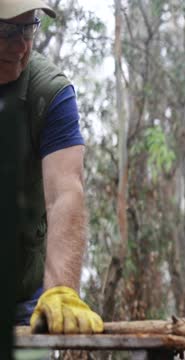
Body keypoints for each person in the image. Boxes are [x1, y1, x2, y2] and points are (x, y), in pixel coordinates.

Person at [1, 0, 103, 334]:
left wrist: (61, 288)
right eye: (6, 31)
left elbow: (64, 192)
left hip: (20, 296)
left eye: (28, 27)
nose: (21, 45)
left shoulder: (50, 92)